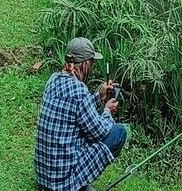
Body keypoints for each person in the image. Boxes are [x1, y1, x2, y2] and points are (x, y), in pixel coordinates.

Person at [34, 37, 128, 191]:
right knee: (119, 132)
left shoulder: (53, 80)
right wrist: (107, 111)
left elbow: (75, 109)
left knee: (83, 132)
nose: (91, 66)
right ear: (84, 63)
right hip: (63, 185)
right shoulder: (79, 90)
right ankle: (79, 185)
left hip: (44, 180)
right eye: (91, 62)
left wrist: (99, 96)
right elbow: (99, 133)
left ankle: (79, 180)